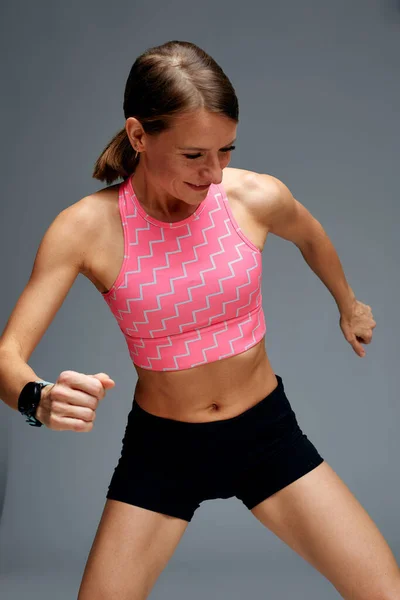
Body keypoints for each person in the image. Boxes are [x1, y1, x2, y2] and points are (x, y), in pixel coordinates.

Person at [0, 39, 397, 600]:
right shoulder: (85, 228)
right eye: (193, 155)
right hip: (163, 453)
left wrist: (349, 304)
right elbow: (6, 357)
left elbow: (309, 235)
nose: (214, 174)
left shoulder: (254, 197)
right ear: (138, 135)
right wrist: (35, 398)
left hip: (266, 437)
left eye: (226, 150)